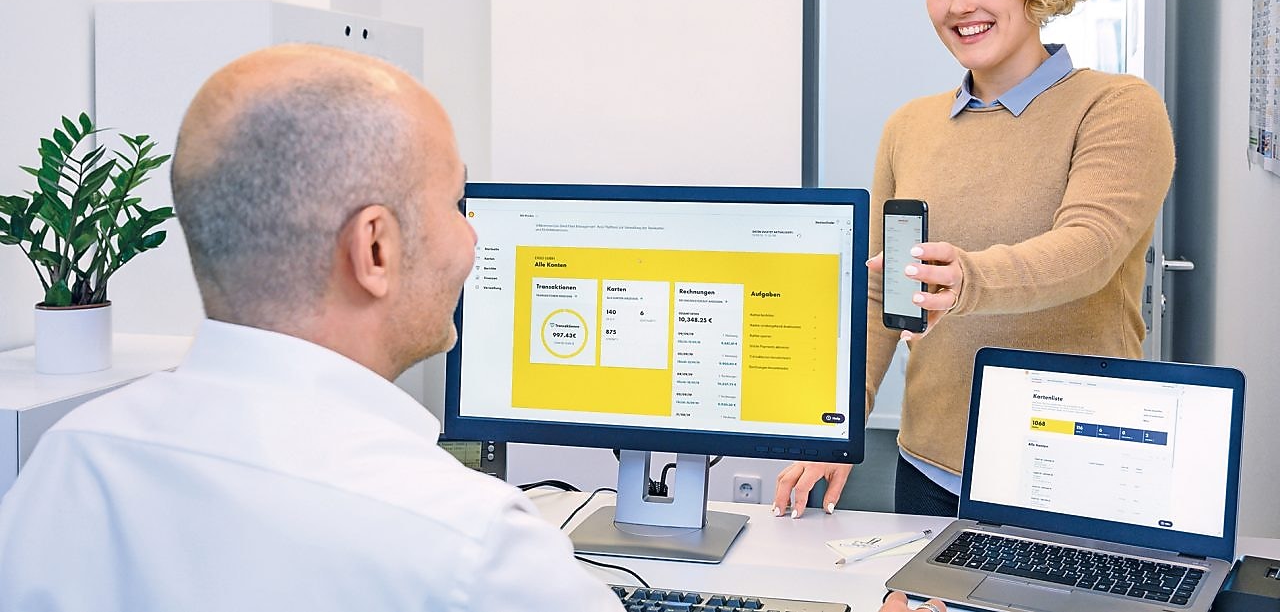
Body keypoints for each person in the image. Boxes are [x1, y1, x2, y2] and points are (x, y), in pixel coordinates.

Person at [0, 44, 946, 612]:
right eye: (457, 202)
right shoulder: (464, 541)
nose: (473, 239)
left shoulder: (70, 464)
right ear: (374, 248)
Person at [774, 0, 1175, 519]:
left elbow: (1090, 249)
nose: (959, 6)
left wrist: (970, 279)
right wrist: (840, 423)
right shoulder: (910, 126)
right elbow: (884, 292)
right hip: (930, 467)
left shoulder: (1116, 106)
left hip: (1076, 470)